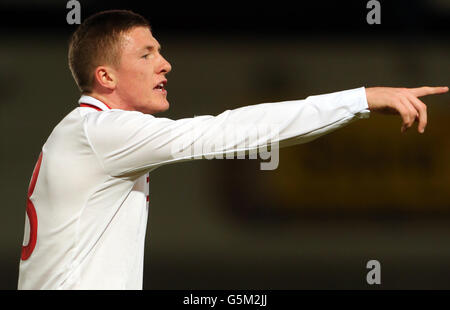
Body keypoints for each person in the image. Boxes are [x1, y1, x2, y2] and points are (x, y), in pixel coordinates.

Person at [17, 9, 448, 290]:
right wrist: (359, 99)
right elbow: (230, 132)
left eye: (160, 51)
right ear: (106, 77)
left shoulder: (88, 131)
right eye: (147, 54)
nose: (164, 63)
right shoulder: (104, 132)